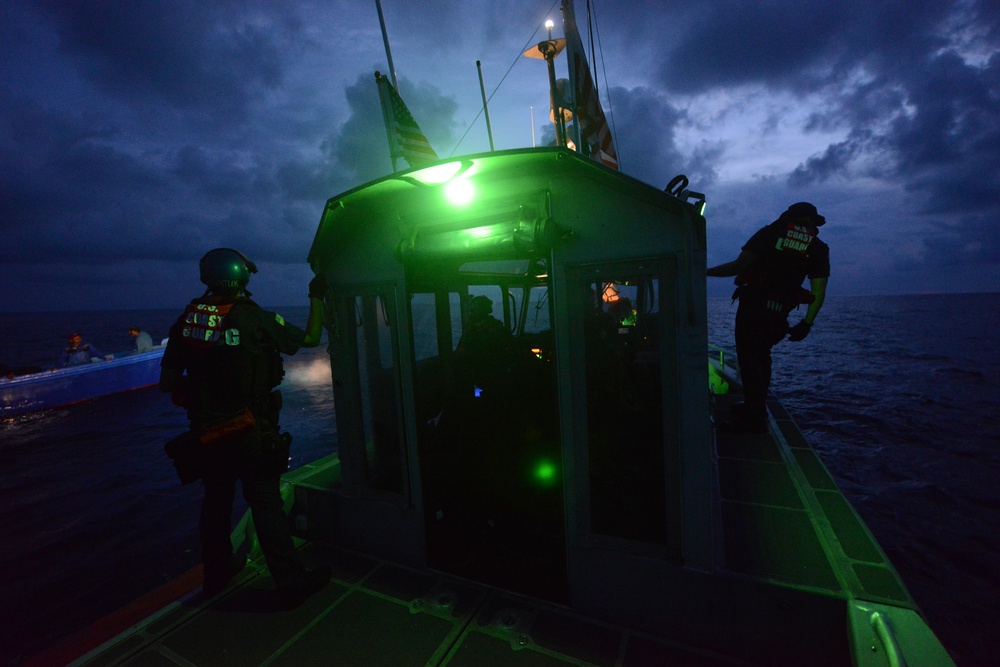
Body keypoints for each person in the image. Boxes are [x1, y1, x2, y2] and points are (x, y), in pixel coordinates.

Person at [159, 247, 331, 603]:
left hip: (208, 432)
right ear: (243, 279)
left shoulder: (188, 320)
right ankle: (291, 582)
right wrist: (316, 297)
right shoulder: (255, 319)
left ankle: (216, 574)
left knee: (216, 501)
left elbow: (169, 382)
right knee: (265, 501)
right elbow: (311, 339)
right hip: (251, 429)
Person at [707, 202, 830, 433]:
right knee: (763, 357)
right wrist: (806, 323)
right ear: (812, 222)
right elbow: (818, 291)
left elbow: (740, 265)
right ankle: (756, 408)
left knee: (750, 358)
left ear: (788, 217)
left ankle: (753, 417)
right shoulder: (818, 247)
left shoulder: (770, 233)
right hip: (779, 314)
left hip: (753, 308)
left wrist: (706, 271)